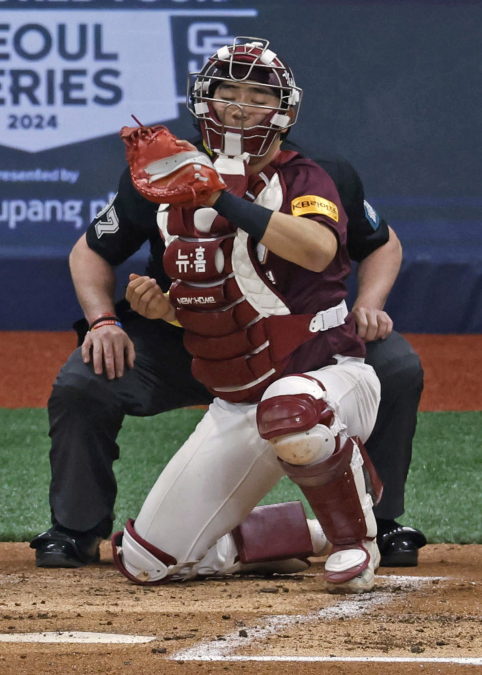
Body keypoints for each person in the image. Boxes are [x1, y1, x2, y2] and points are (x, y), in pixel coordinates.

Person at [33, 37, 426, 576]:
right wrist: (107, 320)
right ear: (205, 102)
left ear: (283, 109)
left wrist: (371, 302)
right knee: (85, 379)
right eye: (229, 92)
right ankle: (76, 530)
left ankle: (378, 522)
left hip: (303, 347)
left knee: (396, 365)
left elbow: (368, 244)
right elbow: (90, 252)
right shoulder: (160, 175)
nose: (241, 106)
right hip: (187, 339)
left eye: (257, 95)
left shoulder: (314, 174)